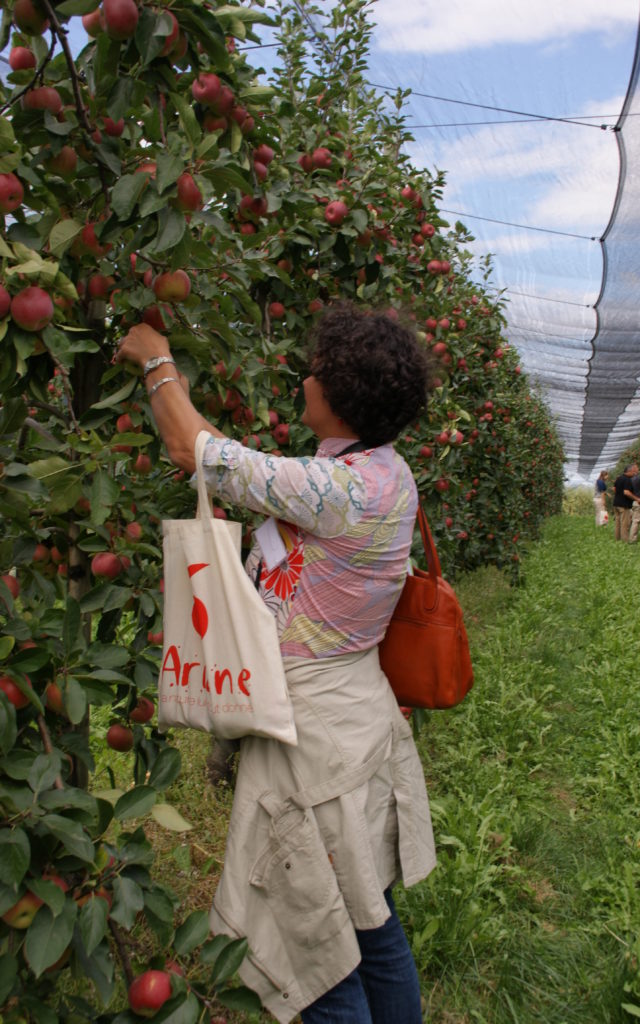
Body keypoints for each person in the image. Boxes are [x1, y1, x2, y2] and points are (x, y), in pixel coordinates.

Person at [115, 303, 437, 1024]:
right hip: (358, 719)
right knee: (369, 922)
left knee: (314, 951)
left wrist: (155, 358)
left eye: (316, 370)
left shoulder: (336, 490)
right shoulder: (386, 472)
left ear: (340, 394)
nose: (304, 377)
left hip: (312, 745)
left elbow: (192, 449)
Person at [612, 464, 638, 541]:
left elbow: (614, 489)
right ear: (629, 471)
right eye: (633, 471)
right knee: (625, 524)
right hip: (624, 505)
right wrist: (636, 499)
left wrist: (618, 495)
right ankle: (624, 541)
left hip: (616, 504)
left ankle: (617, 539)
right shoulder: (627, 480)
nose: (634, 473)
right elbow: (626, 492)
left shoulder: (619, 478)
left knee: (617, 523)